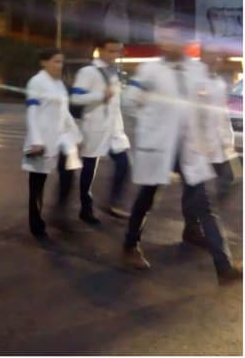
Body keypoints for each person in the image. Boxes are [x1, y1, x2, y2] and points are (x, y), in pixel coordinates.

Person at [121, 22, 242, 284]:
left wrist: (216, 144)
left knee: (205, 206)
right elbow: (129, 100)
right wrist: (145, 111)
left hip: (189, 148)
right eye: (165, 39)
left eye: (175, 39)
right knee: (147, 198)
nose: (169, 44)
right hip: (160, 146)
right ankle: (130, 246)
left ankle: (224, 267)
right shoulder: (150, 70)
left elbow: (207, 104)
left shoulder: (196, 70)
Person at [23, 48, 83, 239]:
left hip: (61, 137)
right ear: (44, 62)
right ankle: (36, 224)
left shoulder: (59, 84)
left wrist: (77, 135)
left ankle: (60, 213)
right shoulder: (36, 82)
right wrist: (36, 141)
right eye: (56, 61)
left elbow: (65, 113)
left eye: (61, 61)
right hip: (42, 139)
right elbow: (32, 112)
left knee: (69, 174)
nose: (60, 65)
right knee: (37, 184)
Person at [70, 38, 132, 223]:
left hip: (114, 130)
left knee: (124, 164)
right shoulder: (87, 72)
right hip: (94, 127)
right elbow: (76, 98)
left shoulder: (116, 73)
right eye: (110, 51)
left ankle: (113, 202)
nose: (114, 55)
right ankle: (85, 208)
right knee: (90, 169)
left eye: (117, 52)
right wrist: (100, 95)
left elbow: (116, 103)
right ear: (100, 51)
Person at [200, 46, 239, 200]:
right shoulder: (197, 81)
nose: (216, 60)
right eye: (212, 55)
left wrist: (228, 140)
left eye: (218, 56)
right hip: (201, 145)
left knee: (227, 178)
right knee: (195, 188)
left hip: (218, 143)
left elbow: (223, 115)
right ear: (203, 57)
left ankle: (208, 210)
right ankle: (193, 219)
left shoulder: (220, 84)